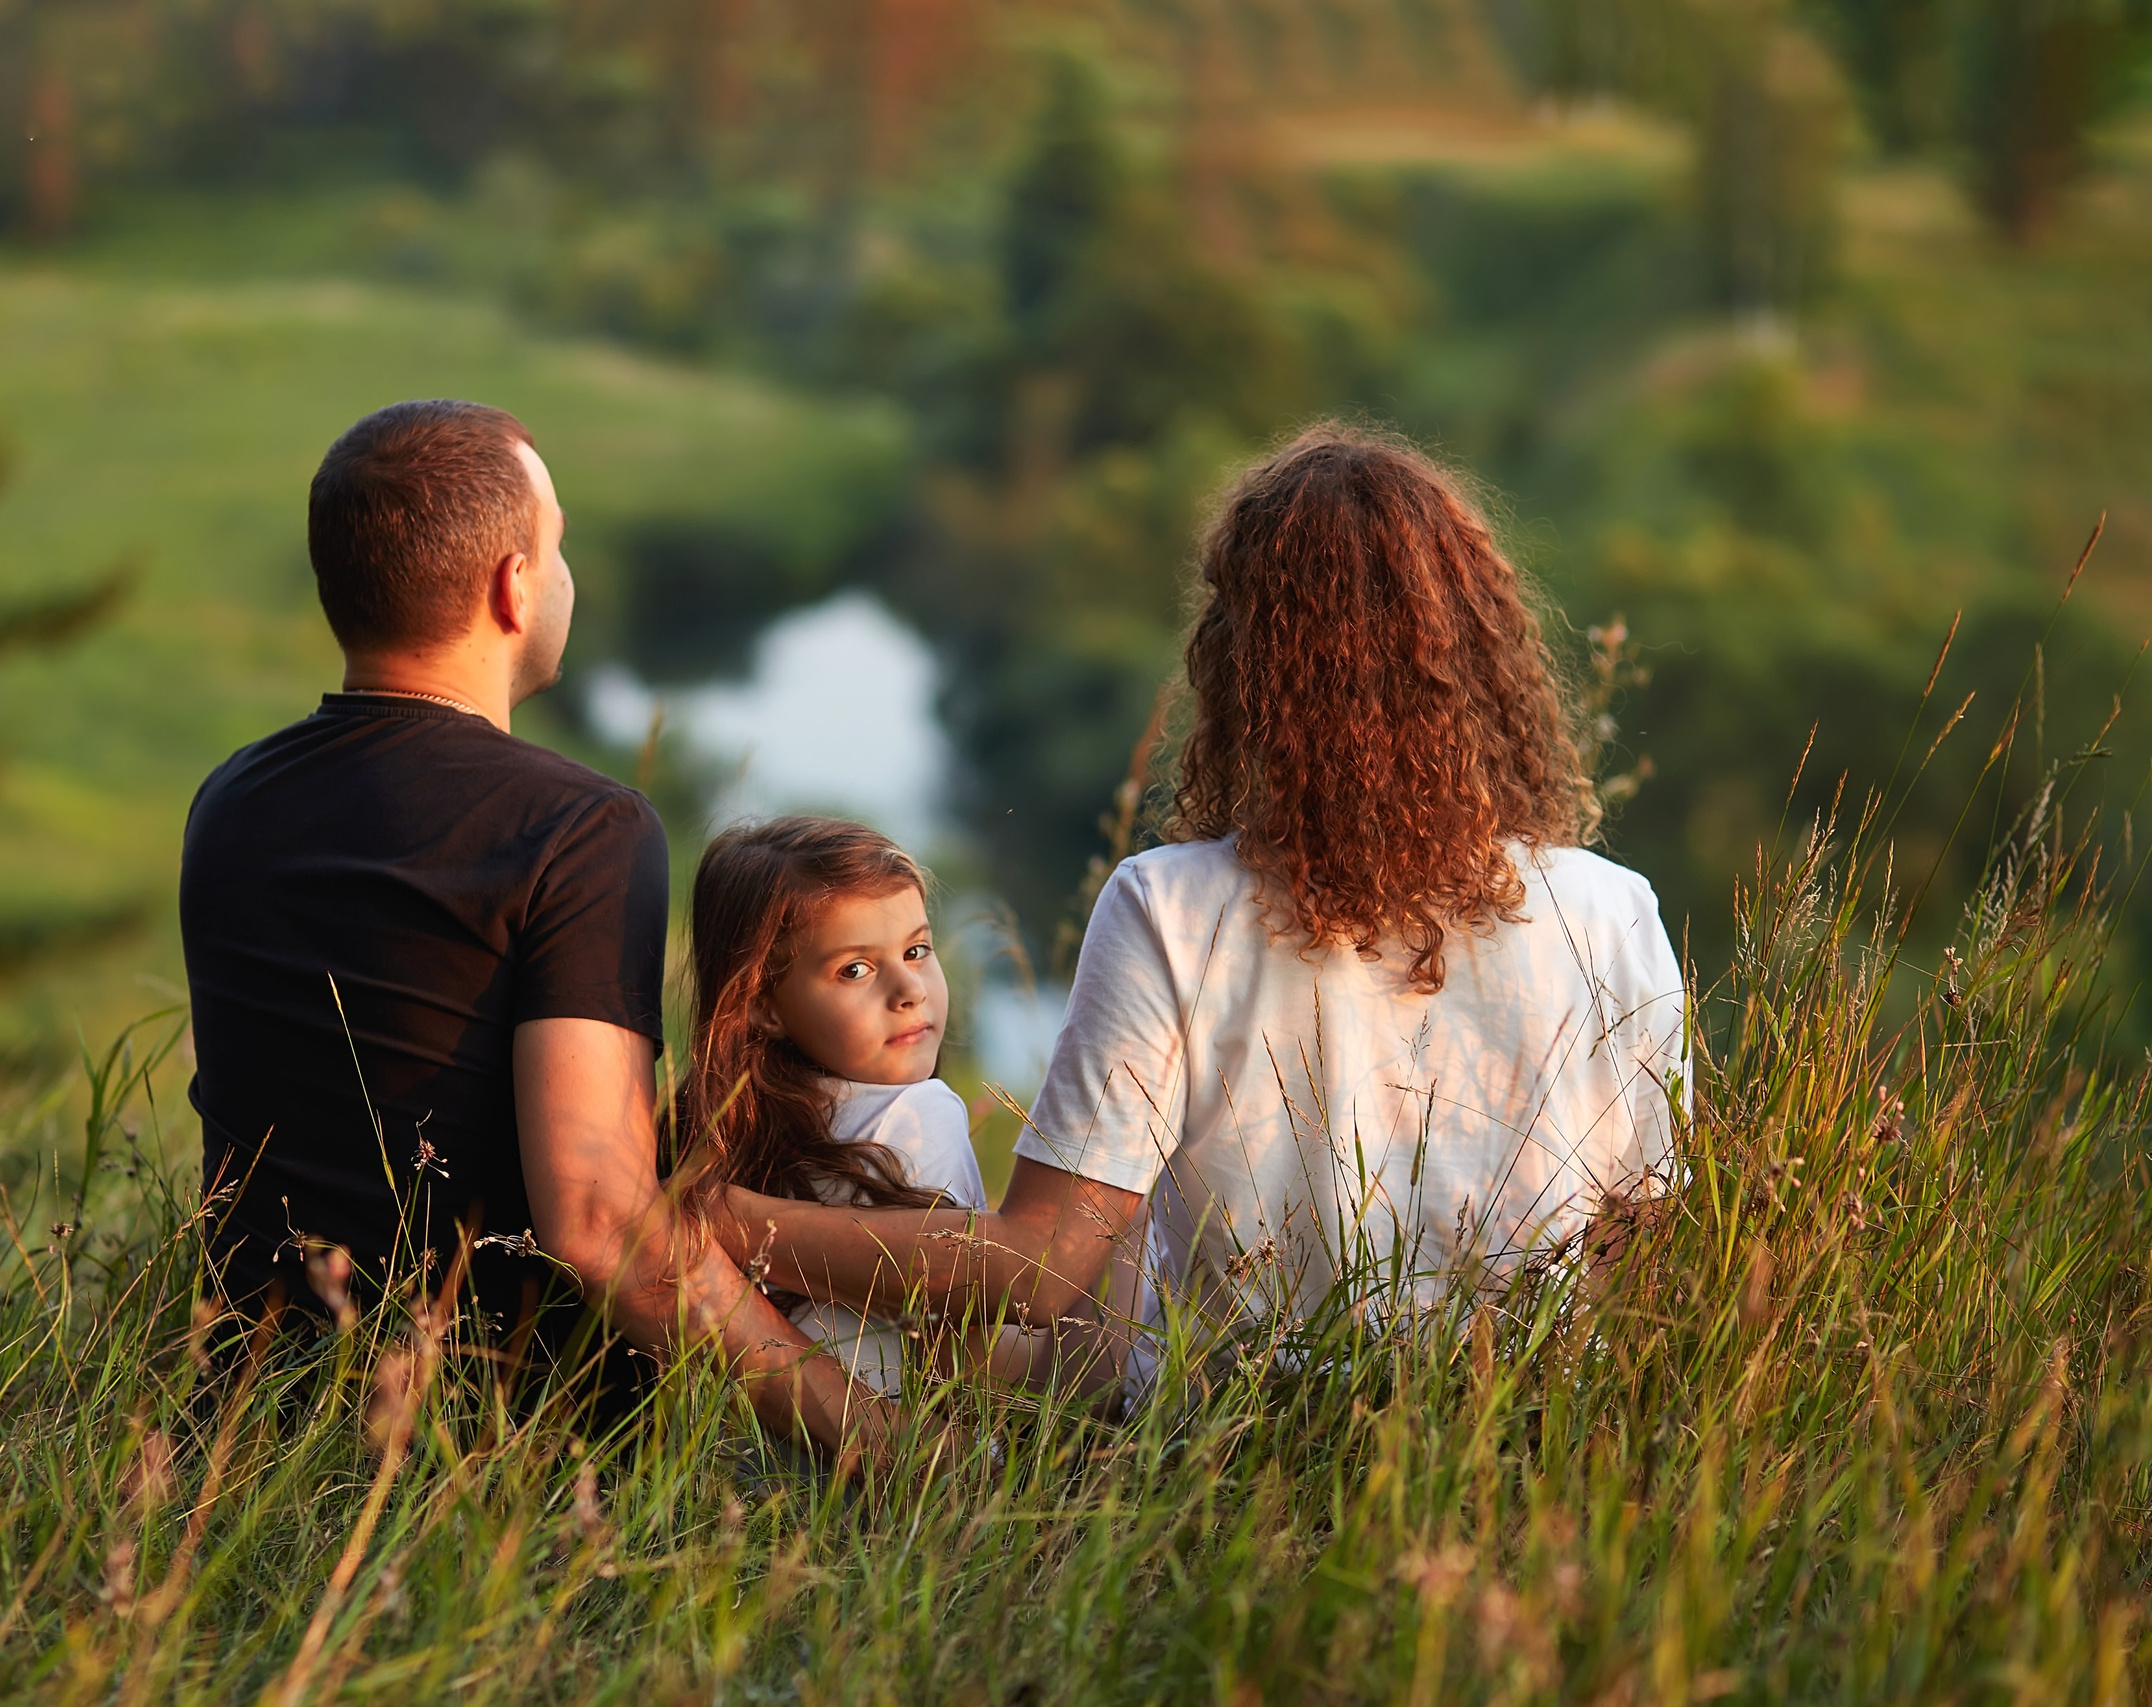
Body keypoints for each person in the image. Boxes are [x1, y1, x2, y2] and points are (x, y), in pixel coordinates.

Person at [711, 425, 1690, 1394]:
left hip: (1241, 1460)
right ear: (1480, 650)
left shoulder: (1170, 906)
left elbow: (1040, 1270)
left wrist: (718, 1223)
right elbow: (1650, 1276)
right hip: (1536, 1450)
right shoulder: (1613, 913)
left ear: (1244, 667)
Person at [178, 399, 888, 1454]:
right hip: (495, 1447)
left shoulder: (230, 798)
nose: (566, 578)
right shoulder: (581, 830)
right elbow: (600, 1221)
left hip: (249, 1420)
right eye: (556, 549)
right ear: (512, 586)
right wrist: (893, 1450)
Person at [671, 816, 1006, 1398]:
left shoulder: (720, 1135)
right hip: (896, 1468)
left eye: (917, 950)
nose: (910, 989)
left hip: (749, 1468)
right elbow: (967, 1346)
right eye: (855, 969)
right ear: (764, 1004)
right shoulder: (919, 1113)